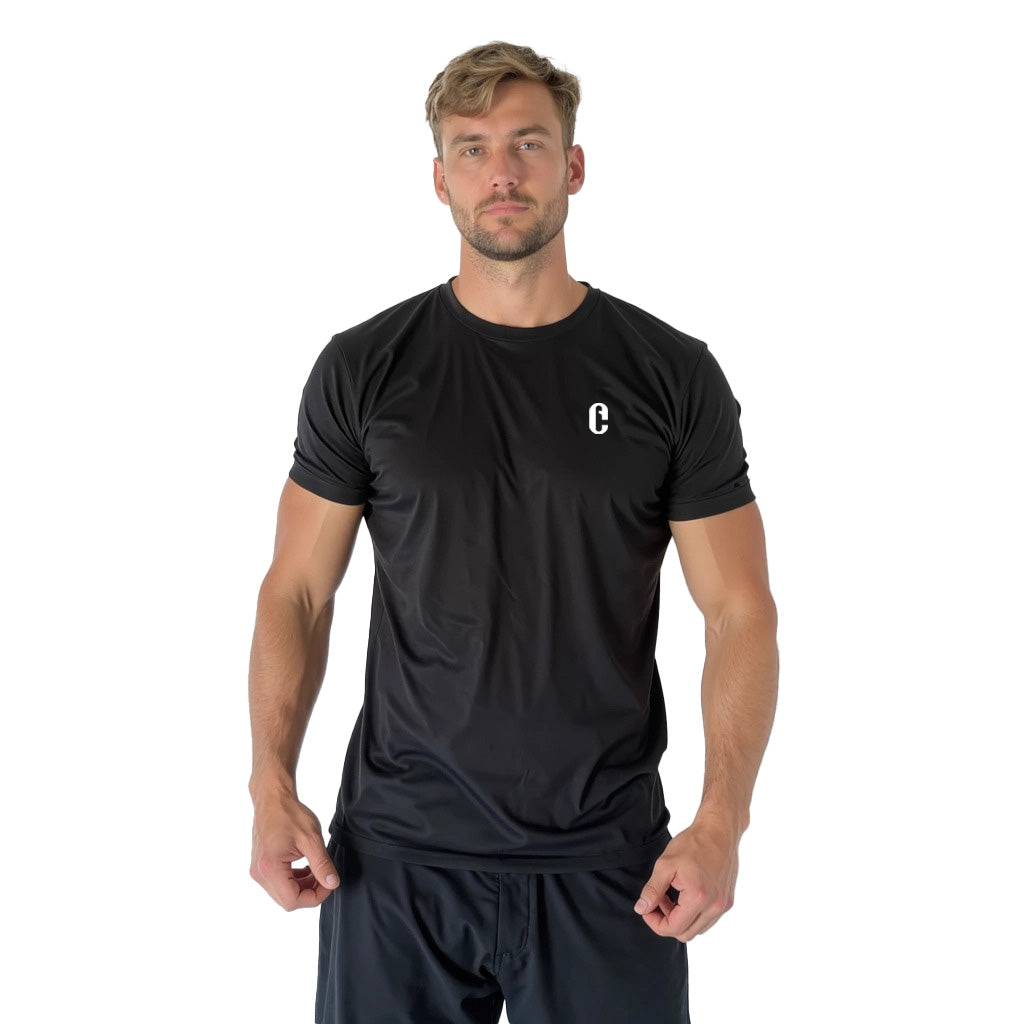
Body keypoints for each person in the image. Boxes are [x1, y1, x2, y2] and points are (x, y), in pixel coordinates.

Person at [248, 40, 779, 1024]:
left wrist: (721, 823)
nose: (501, 173)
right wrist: (270, 786)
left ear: (572, 166)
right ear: (439, 178)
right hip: (398, 858)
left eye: (528, 144)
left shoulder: (668, 375)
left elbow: (739, 611)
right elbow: (299, 591)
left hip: (608, 864)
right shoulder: (365, 368)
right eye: (472, 148)